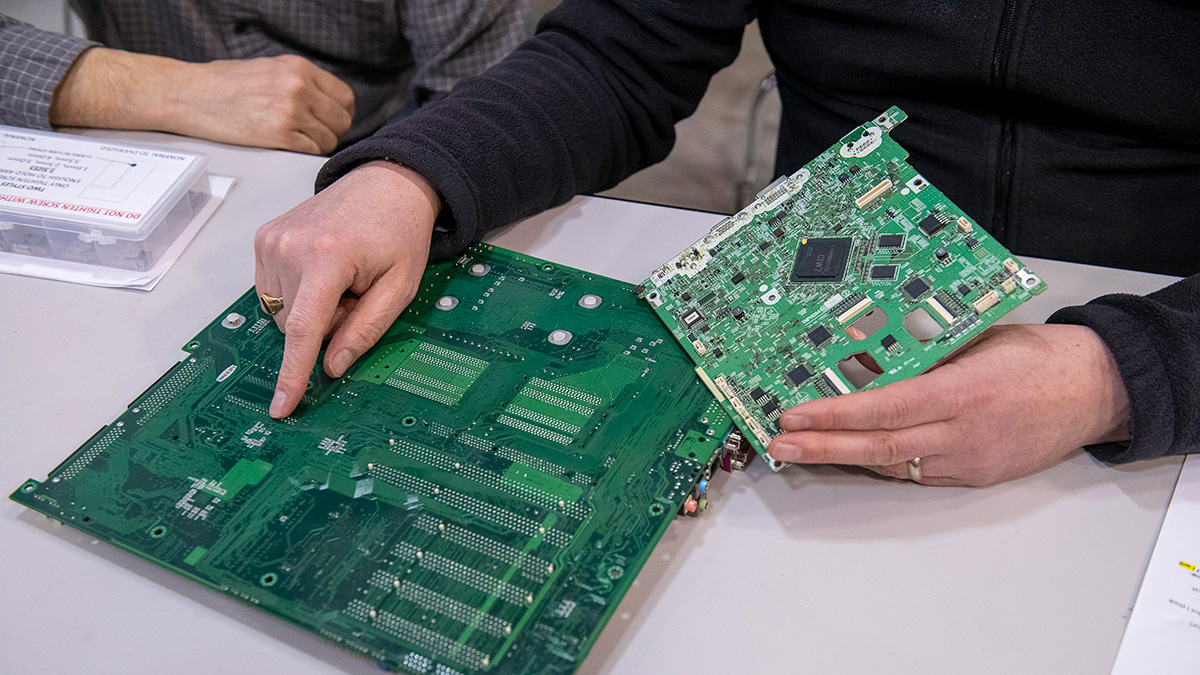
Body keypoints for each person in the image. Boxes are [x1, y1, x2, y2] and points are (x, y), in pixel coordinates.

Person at [251, 1, 1200, 486]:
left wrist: (1122, 374)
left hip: (1152, 372)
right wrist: (411, 174)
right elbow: (619, 51)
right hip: (809, 288)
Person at [0, 0, 529, 154]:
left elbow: (492, 103)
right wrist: (173, 90)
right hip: (144, 146)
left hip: (387, 134)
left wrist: (396, 178)